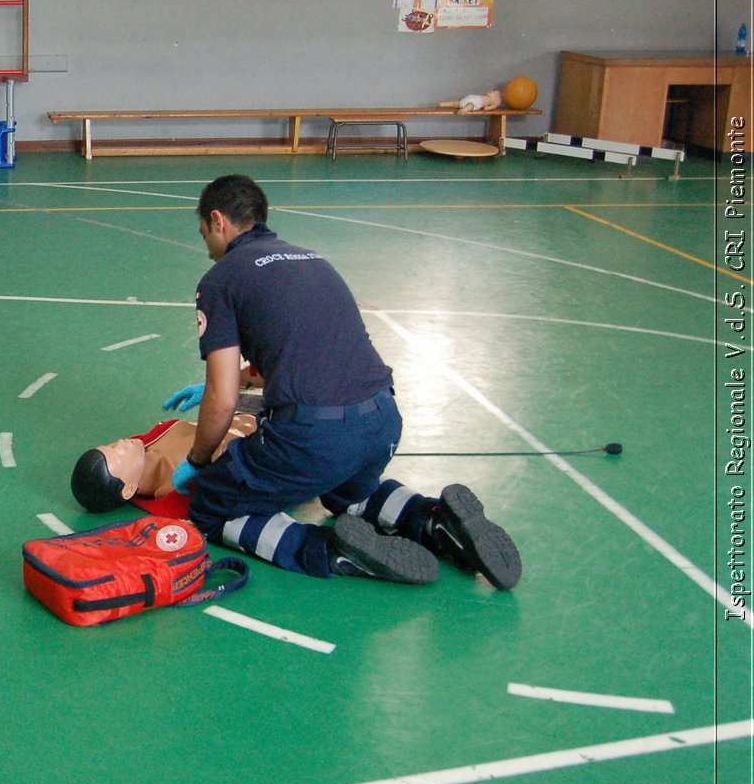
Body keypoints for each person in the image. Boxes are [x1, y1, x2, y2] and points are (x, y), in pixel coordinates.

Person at [164, 174, 521, 589]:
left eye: (204, 232)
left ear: (218, 220)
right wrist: (245, 381)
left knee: (213, 504)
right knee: (342, 492)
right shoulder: (310, 259)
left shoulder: (220, 280)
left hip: (315, 436)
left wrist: (198, 461)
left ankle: (328, 550)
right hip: (383, 421)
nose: (206, 245)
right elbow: (293, 351)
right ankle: (433, 520)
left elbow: (222, 401)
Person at [71, 413, 258, 518]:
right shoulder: (177, 487)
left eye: (111, 445)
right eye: (118, 455)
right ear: (128, 490)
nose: (120, 443)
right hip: (277, 435)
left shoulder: (151, 441)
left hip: (251, 407)